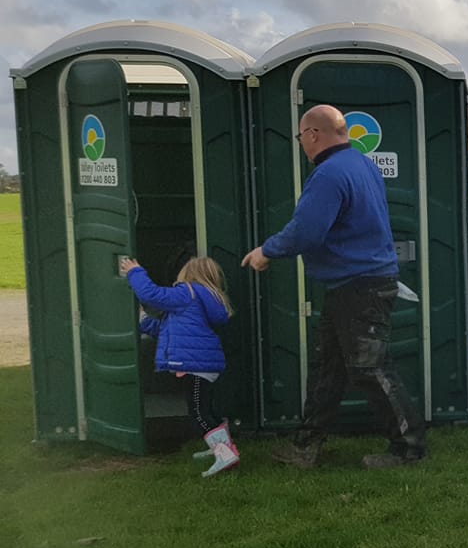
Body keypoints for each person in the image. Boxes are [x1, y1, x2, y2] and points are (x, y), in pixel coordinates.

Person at [241, 103, 426, 470]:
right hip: (355, 285)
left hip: (360, 287)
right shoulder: (362, 165)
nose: (301, 145)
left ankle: (410, 450)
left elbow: (307, 230)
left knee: (371, 368)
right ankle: (306, 447)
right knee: (329, 369)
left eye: (300, 137)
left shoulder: (328, 174)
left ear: (313, 134)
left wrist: (267, 250)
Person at [120, 255, 239, 478]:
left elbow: (151, 294)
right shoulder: (202, 298)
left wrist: (135, 271)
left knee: (198, 413)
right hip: (204, 364)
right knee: (207, 409)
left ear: (188, 275)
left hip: (195, 365)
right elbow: (169, 328)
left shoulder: (187, 293)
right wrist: (144, 322)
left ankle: (225, 454)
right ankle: (222, 447)